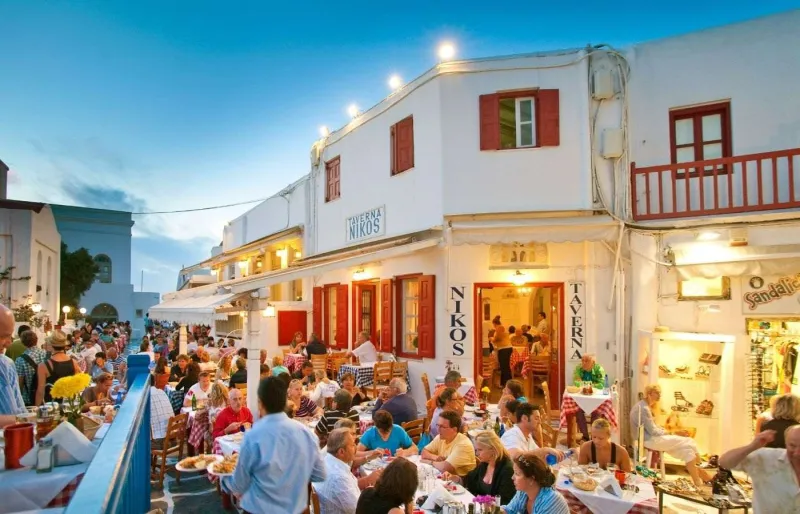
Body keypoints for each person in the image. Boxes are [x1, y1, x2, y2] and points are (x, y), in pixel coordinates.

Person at [224, 376, 326, 513]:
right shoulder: (306, 433)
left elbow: (239, 484)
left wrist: (224, 479)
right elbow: (320, 475)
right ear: (285, 401)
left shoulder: (252, 436)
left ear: (260, 403)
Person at [630, 384, 711, 486]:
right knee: (690, 441)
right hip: (649, 440)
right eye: (657, 393)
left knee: (688, 452)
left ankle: (698, 482)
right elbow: (653, 431)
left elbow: (654, 428)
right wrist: (674, 432)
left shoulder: (644, 406)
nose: (660, 395)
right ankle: (702, 465)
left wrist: (666, 430)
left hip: (650, 439)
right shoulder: (643, 408)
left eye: (660, 393)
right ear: (650, 394)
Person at [719, 426, 800, 513]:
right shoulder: (766, 458)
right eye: (792, 446)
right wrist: (752, 446)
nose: (797, 452)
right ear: (786, 443)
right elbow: (724, 462)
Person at [444, 430, 516, 504]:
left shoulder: (507, 470)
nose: (477, 454)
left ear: (492, 449)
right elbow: (470, 479)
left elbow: (504, 501)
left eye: (480, 450)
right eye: (476, 450)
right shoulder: (485, 463)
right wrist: (456, 478)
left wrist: (481, 501)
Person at [313, 428, 363, 514]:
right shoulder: (339, 477)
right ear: (341, 452)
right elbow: (358, 510)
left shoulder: (328, 461)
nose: (355, 447)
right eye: (352, 445)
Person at [501, 452, 570, 513]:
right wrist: (494, 508)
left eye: (517, 474)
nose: (512, 477)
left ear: (531, 479)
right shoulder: (523, 493)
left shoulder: (551, 501)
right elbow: (509, 510)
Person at [420, 410, 477, 475]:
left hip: (461, 482)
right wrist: (435, 457)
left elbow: (445, 467)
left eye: (443, 427)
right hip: (445, 478)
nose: (438, 429)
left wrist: (430, 462)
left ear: (454, 429)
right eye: (438, 425)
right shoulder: (440, 437)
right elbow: (424, 452)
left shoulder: (463, 444)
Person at [36, 330, 81, 405]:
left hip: (51, 406)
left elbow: (40, 391)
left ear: (51, 345)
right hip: (69, 405)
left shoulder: (44, 366)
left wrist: (36, 408)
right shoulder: (74, 362)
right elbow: (77, 387)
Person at [0, 304, 26, 426]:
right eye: (2, 336)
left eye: (10, 336)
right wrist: (24, 420)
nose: (8, 344)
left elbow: (19, 409)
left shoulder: (6, 364)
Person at [572, 354, 605, 439]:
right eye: (582, 360)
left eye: (586, 361)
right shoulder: (578, 368)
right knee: (577, 411)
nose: (583, 363)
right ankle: (585, 436)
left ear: (593, 362)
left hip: (595, 399)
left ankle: (594, 437)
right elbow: (576, 382)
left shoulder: (599, 369)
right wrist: (591, 385)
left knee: (596, 412)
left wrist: (584, 384)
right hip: (582, 399)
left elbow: (601, 384)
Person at [14, 330, 48, 406]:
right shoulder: (46, 354)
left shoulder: (20, 360)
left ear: (23, 342)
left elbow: (19, 383)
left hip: (29, 399)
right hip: (47, 397)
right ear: (37, 340)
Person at [492, 316, 513, 386]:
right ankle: (503, 383)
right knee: (504, 366)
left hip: (504, 348)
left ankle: (508, 384)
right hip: (504, 348)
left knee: (504, 367)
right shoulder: (501, 327)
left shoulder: (499, 327)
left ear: (494, 323)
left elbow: (498, 338)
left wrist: (491, 339)